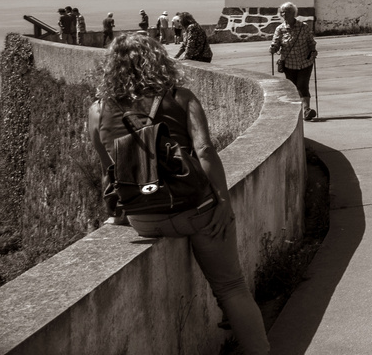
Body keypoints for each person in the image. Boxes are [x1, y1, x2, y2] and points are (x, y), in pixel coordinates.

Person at [86, 33, 270, 355]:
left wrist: (119, 216)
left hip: (144, 218)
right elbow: (205, 151)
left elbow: (110, 172)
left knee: (229, 286)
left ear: (111, 66)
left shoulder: (98, 111)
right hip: (194, 210)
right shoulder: (181, 96)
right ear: (159, 58)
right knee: (231, 287)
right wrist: (223, 202)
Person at [269, 3, 317, 121]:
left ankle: (306, 110)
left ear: (293, 13)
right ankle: (297, 112)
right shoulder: (280, 29)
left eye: (286, 12)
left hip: (305, 62)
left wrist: (313, 50)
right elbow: (276, 42)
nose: (283, 14)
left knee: (302, 85)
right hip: (289, 64)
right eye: (282, 12)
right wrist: (273, 48)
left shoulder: (303, 27)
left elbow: (311, 41)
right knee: (293, 88)